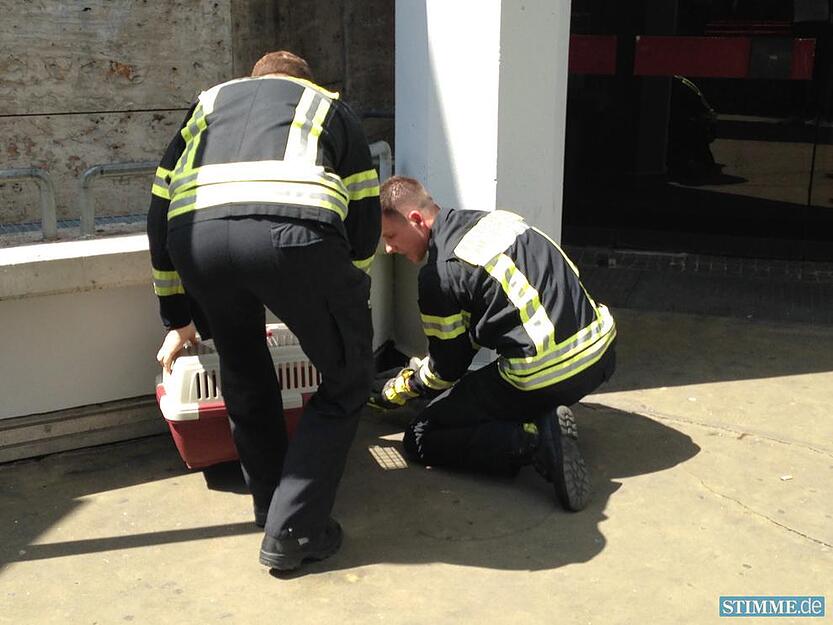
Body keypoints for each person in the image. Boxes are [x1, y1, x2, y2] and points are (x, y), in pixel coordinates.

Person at [147, 51, 380, 571]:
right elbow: (364, 213)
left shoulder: (207, 103)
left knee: (244, 367)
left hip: (196, 238)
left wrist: (177, 317)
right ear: (304, 82)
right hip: (293, 234)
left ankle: (269, 503)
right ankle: (294, 531)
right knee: (346, 379)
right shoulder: (327, 105)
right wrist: (346, 293)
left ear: (253, 82)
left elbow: (159, 206)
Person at [370, 176, 616, 511]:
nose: (389, 249)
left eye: (390, 236)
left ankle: (535, 441)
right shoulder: (499, 221)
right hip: (600, 351)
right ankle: (546, 411)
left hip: (543, 373)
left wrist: (399, 389)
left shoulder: (439, 275)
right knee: (494, 382)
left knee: (421, 436)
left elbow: (448, 370)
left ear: (415, 220)